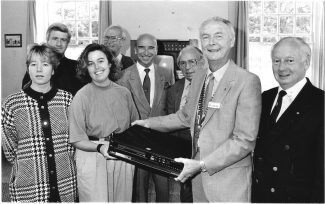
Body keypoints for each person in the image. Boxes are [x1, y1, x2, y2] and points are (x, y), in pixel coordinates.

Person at [132, 16, 262, 202]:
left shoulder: (247, 81)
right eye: (206, 37)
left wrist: (201, 164)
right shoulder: (200, 76)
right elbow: (185, 116)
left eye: (218, 36)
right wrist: (147, 123)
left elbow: (244, 141)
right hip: (198, 179)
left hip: (228, 182)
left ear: (232, 41)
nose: (212, 42)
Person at [1, 44, 78, 202]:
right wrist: (30, 159)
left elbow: (73, 139)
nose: (39, 69)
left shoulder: (67, 99)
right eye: (33, 64)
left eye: (45, 64)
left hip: (65, 181)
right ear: (28, 69)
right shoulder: (11, 104)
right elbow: (10, 149)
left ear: (53, 69)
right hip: (29, 183)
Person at [252, 37, 324, 203]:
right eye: (276, 61)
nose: (282, 67)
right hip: (260, 196)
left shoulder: (320, 102)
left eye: (289, 60)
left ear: (306, 63)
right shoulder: (265, 98)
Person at [69, 43, 139, 202]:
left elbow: (135, 126)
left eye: (100, 61)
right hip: (93, 154)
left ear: (110, 63)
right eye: (90, 63)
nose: (96, 67)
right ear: (86, 68)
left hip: (122, 154)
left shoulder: (124, 93)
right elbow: (76, 139)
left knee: (122, 199)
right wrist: (100, 147)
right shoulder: (81, 96)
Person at [117, 33, 170, 202]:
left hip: (161, 141)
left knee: (163, 190)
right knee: (139, 191)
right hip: (136, 142)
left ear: (156, 49)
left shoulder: (166, 73)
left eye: (151, 47)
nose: (146, 52)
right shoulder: (123, 76)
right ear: (135, 49)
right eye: (141, 47)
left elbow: (170, 107)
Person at [165, 45, 204, 202]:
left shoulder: (213, 85)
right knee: (186, 190)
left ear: (202, 62)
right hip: (182, 147)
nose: (187, 67)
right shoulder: (174, 89)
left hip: (205, 148)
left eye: (192, 62)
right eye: (182, 63)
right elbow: (170, 120)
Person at [22, 23, 85, 95]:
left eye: (63, 40)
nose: (59, 43)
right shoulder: (36, 66)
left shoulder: (76, 66)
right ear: (47, 40)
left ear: (67, 43)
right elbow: (26, 93)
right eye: (55, 39)